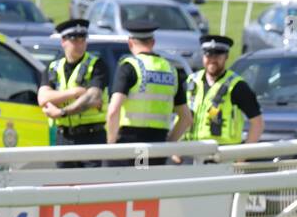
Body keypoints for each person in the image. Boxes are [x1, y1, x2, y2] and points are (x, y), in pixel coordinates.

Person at [105, 20, 193, 167]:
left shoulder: (129, 67)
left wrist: (111, 145)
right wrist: (168, 144)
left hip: (130, 143)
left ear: (130, 43)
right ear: (153, 42)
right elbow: (186, 118)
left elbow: (113, 110)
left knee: (124, 181)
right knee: (148, 180)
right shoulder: (171, 70)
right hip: (158, 144)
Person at [37, 19, 109, 169]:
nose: (80, 44)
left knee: (92, 182)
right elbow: (43, 98)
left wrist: (62, 112)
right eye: (74, 40)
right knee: (65, 182)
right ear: (63, 41)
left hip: (92, 137)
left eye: (83, 40)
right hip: (64, 137)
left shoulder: (97, 65)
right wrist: (74, 92)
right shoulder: (53, 67)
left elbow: (92, 97)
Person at [186, 35, 264, 147]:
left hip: (224, 151)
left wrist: (242, 154)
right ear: (203, 56)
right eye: (209, 55)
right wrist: (177, 150)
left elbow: (257, 124)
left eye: (218, 55)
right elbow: (181, 117)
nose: (213, 60)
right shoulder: (191, 82)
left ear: (226, 56)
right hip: (191, 149)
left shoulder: (237, 85)